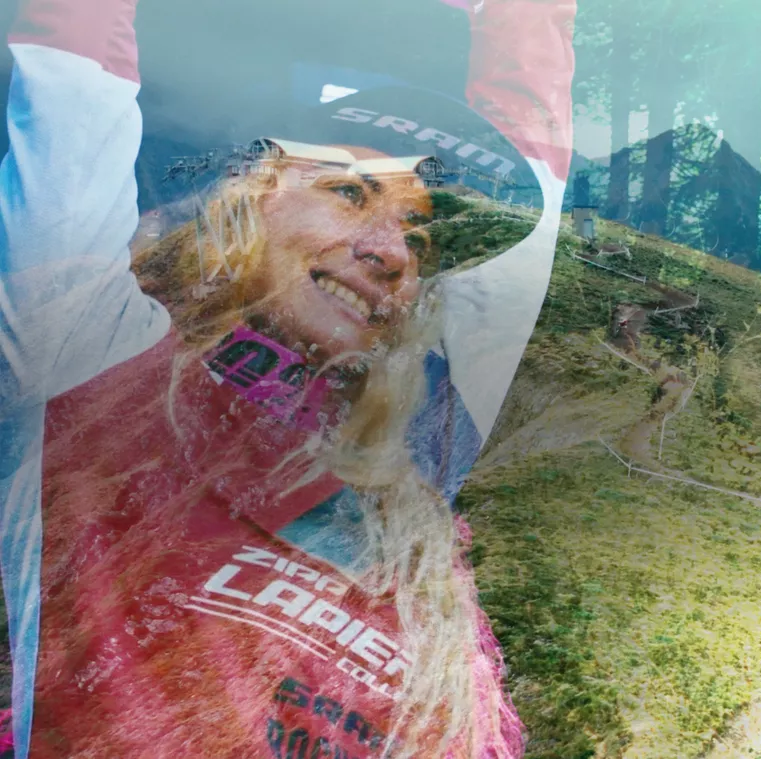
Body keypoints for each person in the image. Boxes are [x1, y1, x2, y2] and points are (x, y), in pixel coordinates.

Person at [0, 0, 574, 756]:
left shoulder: (412, 448)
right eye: (350, 192)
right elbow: (73, 94)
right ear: (247, 198)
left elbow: (520, 223)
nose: (390, 251)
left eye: (419, 231)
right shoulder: (90, 357)